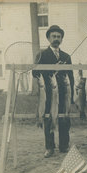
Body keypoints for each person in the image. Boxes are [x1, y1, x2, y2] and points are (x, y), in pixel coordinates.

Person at [33, 25, 74, 158]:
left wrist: (71, 96)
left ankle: (64, 145)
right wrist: (52, 69)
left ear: (61, 39)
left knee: (64, 120)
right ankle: (49, 147)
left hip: (63, 94)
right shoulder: (42, 54)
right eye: (53, 36)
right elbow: (35, 73)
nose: (56, 39)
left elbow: (71, 77)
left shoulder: (66, 56)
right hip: (48, 94)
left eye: (58, 36)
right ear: (49, 38)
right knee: (48, 119)